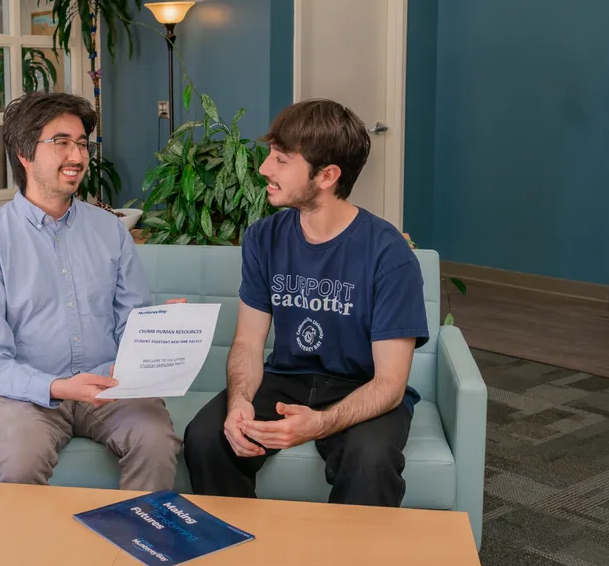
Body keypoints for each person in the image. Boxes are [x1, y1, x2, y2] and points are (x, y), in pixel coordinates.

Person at [183, 99, 429, 507]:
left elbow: (389, 383)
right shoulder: (265, 237)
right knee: (208, 437)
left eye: (281, 160)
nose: (264, 170)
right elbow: (247, 341)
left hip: (361, 385)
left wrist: (320, 424)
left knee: (371, 459)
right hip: (286, 378)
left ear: (327, 176)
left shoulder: (389, 254)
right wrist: (241, 400)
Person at [0, 91, 183, 490]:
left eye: (82, 144)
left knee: (156, 442)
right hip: (23, 394)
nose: (78, 157)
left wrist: (161, 328)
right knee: (19, 462)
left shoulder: (111, 231)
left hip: (108, 385)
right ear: (24, 153)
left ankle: (138, 549)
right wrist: (57, 387)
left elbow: (130, 322)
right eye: (61, 143)